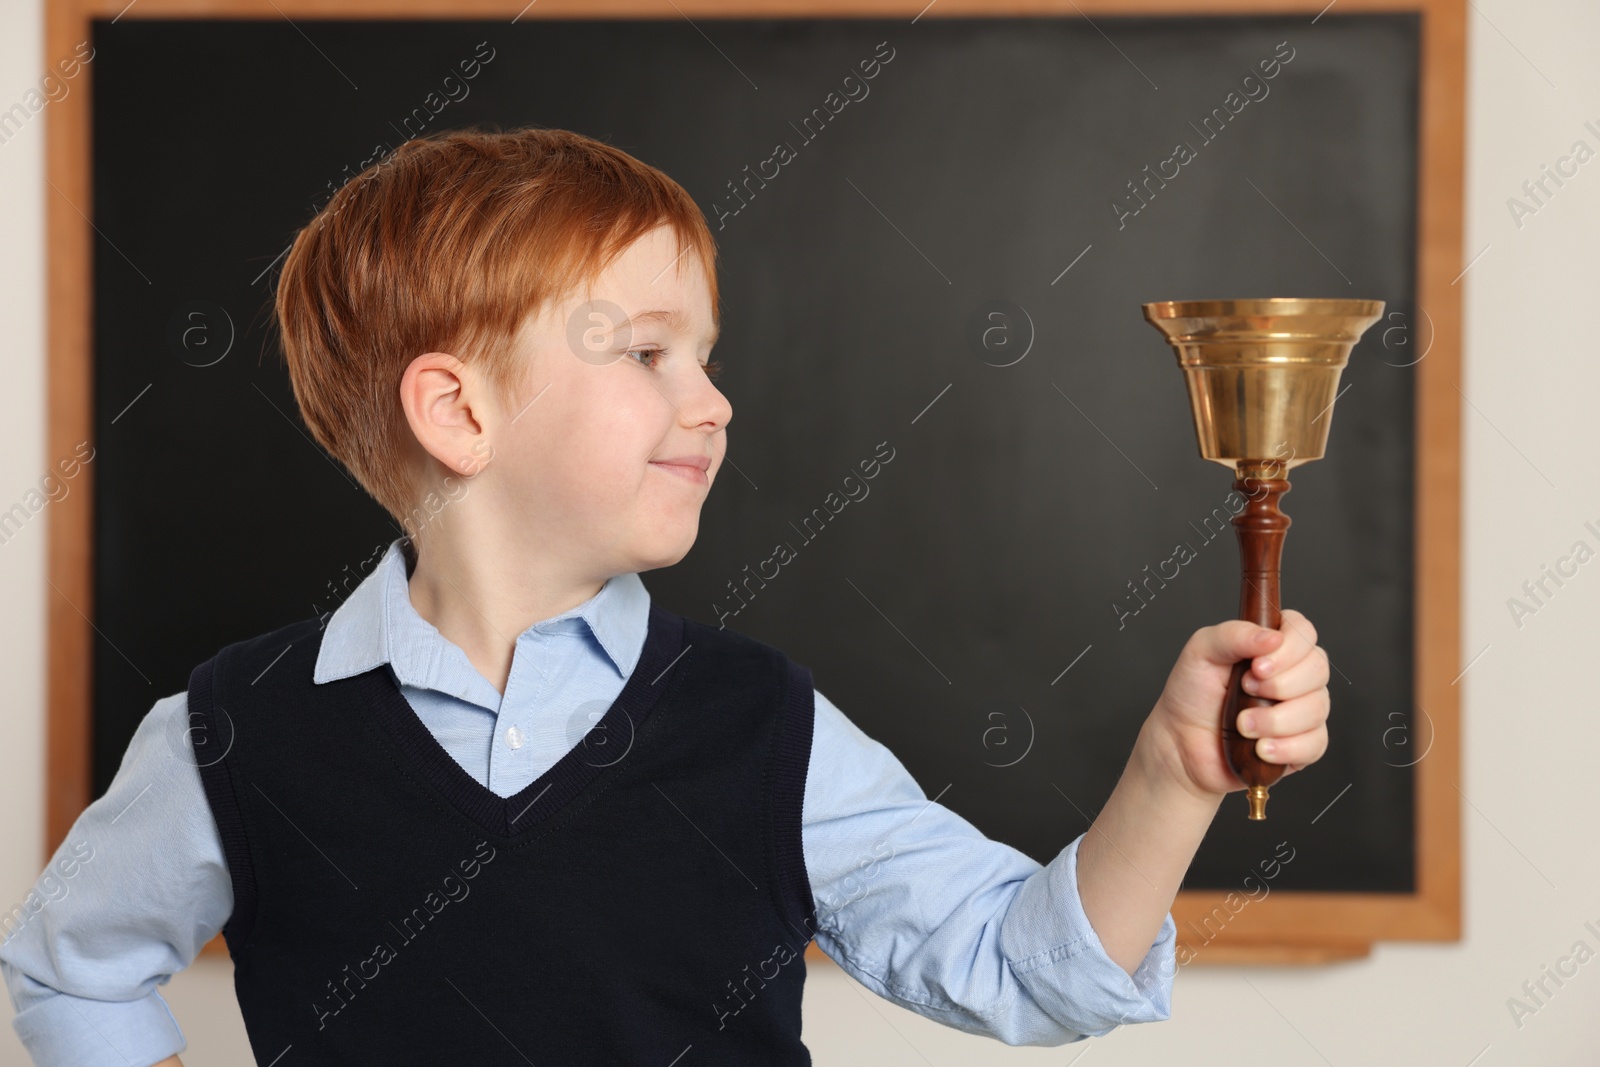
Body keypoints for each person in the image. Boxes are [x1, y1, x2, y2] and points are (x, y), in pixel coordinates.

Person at [0, 126, 1331, 1066]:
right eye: (647, 352)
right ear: (458, 411)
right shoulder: (235, 732)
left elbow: (1021, 973)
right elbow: (70, 968)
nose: (713, 400)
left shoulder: (764, 728)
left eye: (706, 352)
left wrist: (1171, 774)